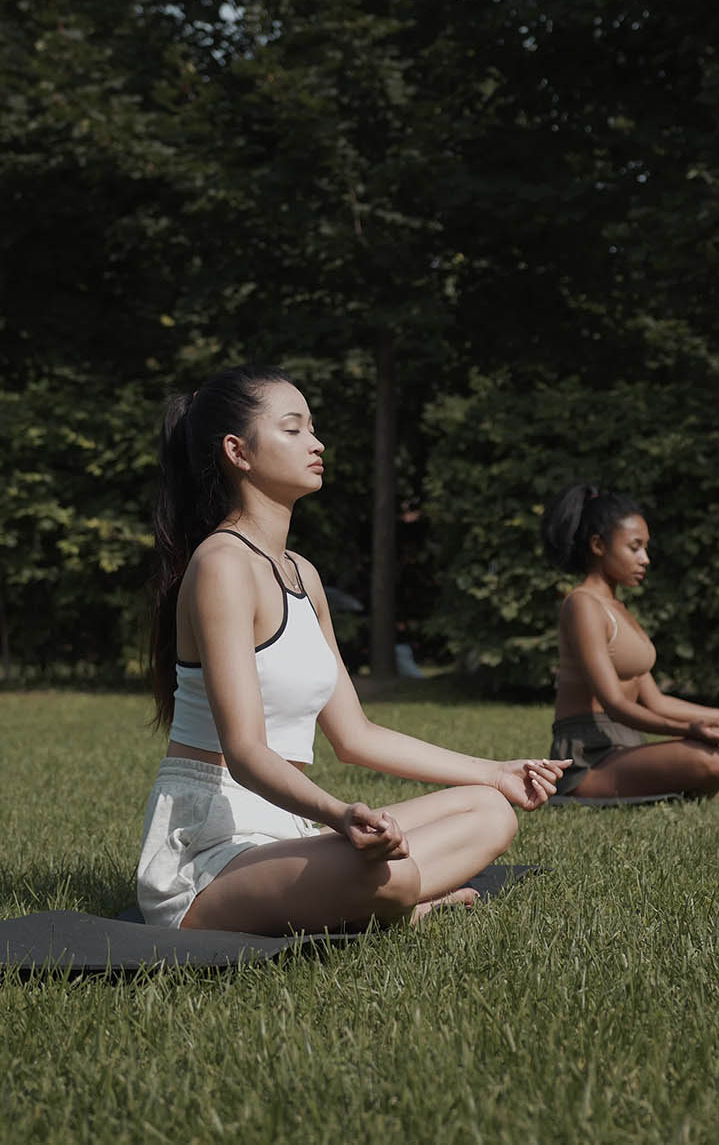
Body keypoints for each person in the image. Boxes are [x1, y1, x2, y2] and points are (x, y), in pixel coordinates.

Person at [138, 364, 567, 934]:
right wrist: (338, 815)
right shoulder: (221, 564)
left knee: (489, 811)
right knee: (387, 875)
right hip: (211, 851)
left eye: (313, 428)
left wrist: (496, 772)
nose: (316, 443)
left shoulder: (302, 574)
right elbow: (244, 751)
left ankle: (387, 895)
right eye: (293, 430)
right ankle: (404, 901)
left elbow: (356, 736)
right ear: (238, 452)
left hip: (291, 833)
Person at [541, 483, 719, 799]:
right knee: (704, 758)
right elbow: (615, 705)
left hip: (628, 749)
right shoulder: (582, 604)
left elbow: (657, 702)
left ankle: (697, 781)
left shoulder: (619, 610)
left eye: (646, 548)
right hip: (589, 759)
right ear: (598, 545)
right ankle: (700, 783)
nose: (646, 559)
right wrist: (689, 730)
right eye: (635, 547)